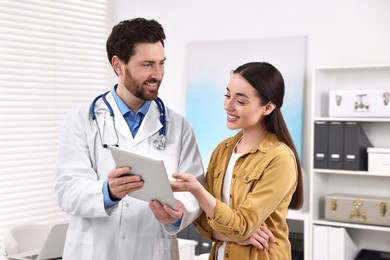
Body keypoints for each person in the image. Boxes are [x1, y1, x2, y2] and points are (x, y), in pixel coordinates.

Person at [54, 18, 205, 260]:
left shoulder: (178, 127)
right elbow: (67, 191)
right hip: (95, 252)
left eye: (161, 63)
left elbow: (194, 189)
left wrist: (180, 212)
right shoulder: (81, 120)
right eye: (147, 65)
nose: (157, 74)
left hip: (152, 251)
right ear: (118, 64)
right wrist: (107, 191)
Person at [171, 61, 304, 260]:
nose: (228, 106)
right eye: (227, 95)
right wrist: (233, 234)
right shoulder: (223, 150)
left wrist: (196, 190)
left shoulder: (280, 159)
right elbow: (203, 221)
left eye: (240, 102)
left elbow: (241, 225)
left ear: (268, 107)